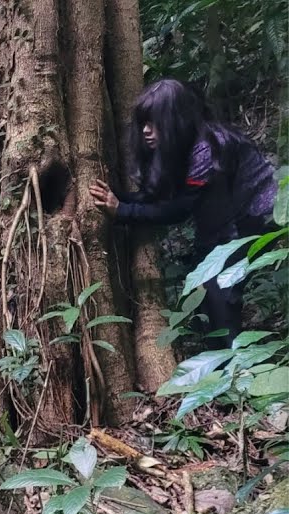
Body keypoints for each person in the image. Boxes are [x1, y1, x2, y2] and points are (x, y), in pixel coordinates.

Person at [88, 78, 277, 347]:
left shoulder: (209, 148)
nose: (146, 130)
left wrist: (122, 211)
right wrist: (121, 198)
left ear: (176, 120)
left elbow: (177, 209)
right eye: (144, 122)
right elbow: (161, 196)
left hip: (253, 218)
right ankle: (217, 354)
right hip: (224, 222)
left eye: (155, 123)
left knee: (220, 290)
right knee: (206, 291)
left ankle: (231, 363)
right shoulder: (183, 145)